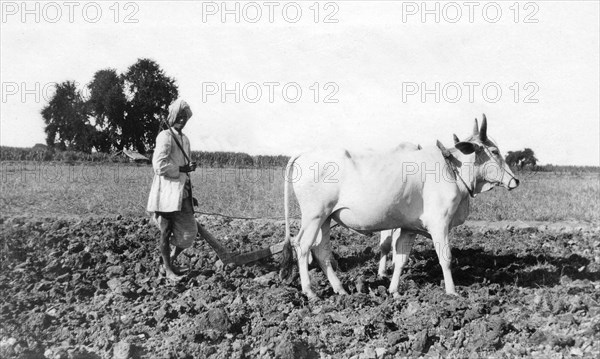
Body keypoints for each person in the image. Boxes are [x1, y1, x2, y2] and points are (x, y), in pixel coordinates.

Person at [147, 98, 198, 281]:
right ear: (173, 116)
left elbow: (186, 169)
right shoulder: (165, 136)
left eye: (185, 117)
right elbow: (158, 165)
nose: (183, 120)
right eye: (180, 116)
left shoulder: (185, 139)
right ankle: (168, 270)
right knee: (166, 231)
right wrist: (181, 169)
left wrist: (190, 192)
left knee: (190, 232)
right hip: (166, 192)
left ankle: (167, 262)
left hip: (181, 192)